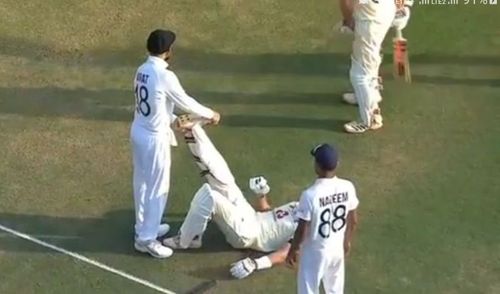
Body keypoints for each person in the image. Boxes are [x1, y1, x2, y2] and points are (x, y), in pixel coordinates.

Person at [162, 116, 298, 278]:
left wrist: (255, 264)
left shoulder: (308, 228)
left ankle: (186, 240)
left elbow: (286, 252)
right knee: (223, 178)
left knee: (209, 195)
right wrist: (262, 194)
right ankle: (193, 131)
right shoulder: (299, 205)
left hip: (248, 234)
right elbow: (270, 215)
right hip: (250, 215)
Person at [131, 29, 220, 258]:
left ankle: (143, 228)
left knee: (142, 183)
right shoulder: (165, 75)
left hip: (139, 131)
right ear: (167, 51)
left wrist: (172, 120)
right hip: (153, 138)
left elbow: (153, 105)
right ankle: (147, 239)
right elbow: (185, 101)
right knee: (157, 187)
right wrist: (210, 114)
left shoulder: (141, 70)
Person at [286, 144, 359, 294]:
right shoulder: (348, 187)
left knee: (308, 289)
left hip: (315, 252)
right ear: (337, 164)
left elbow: (302, 228)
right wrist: (347, 241)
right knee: (335, 289)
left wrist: (293, 249)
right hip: (336, 248)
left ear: (317, 166)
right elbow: (353, 220)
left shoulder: (310, 195)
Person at [340, 0, 412, 133]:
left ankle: (370, 119)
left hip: (370, 20)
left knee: (359, 74)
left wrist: (348, 21)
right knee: (369, 58)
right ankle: (367, 95)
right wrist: (404, 5)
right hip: (386, 10)